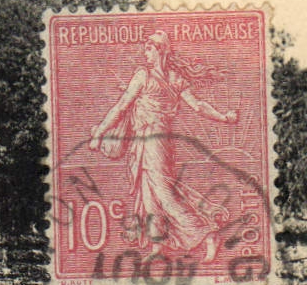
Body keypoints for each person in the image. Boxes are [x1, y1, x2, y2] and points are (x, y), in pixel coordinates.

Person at [88, 30, 239, 264]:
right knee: (148, 194)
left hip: (157, 143)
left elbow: (198, 106)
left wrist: (223, 117)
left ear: (160, 50)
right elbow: (121, 107)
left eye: (148, 49)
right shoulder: (155, 76)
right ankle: (158, 246)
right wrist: (100, 130)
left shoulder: (162, 78)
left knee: (164, 194)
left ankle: (207, 234)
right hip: (145, 142)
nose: (145, 53)